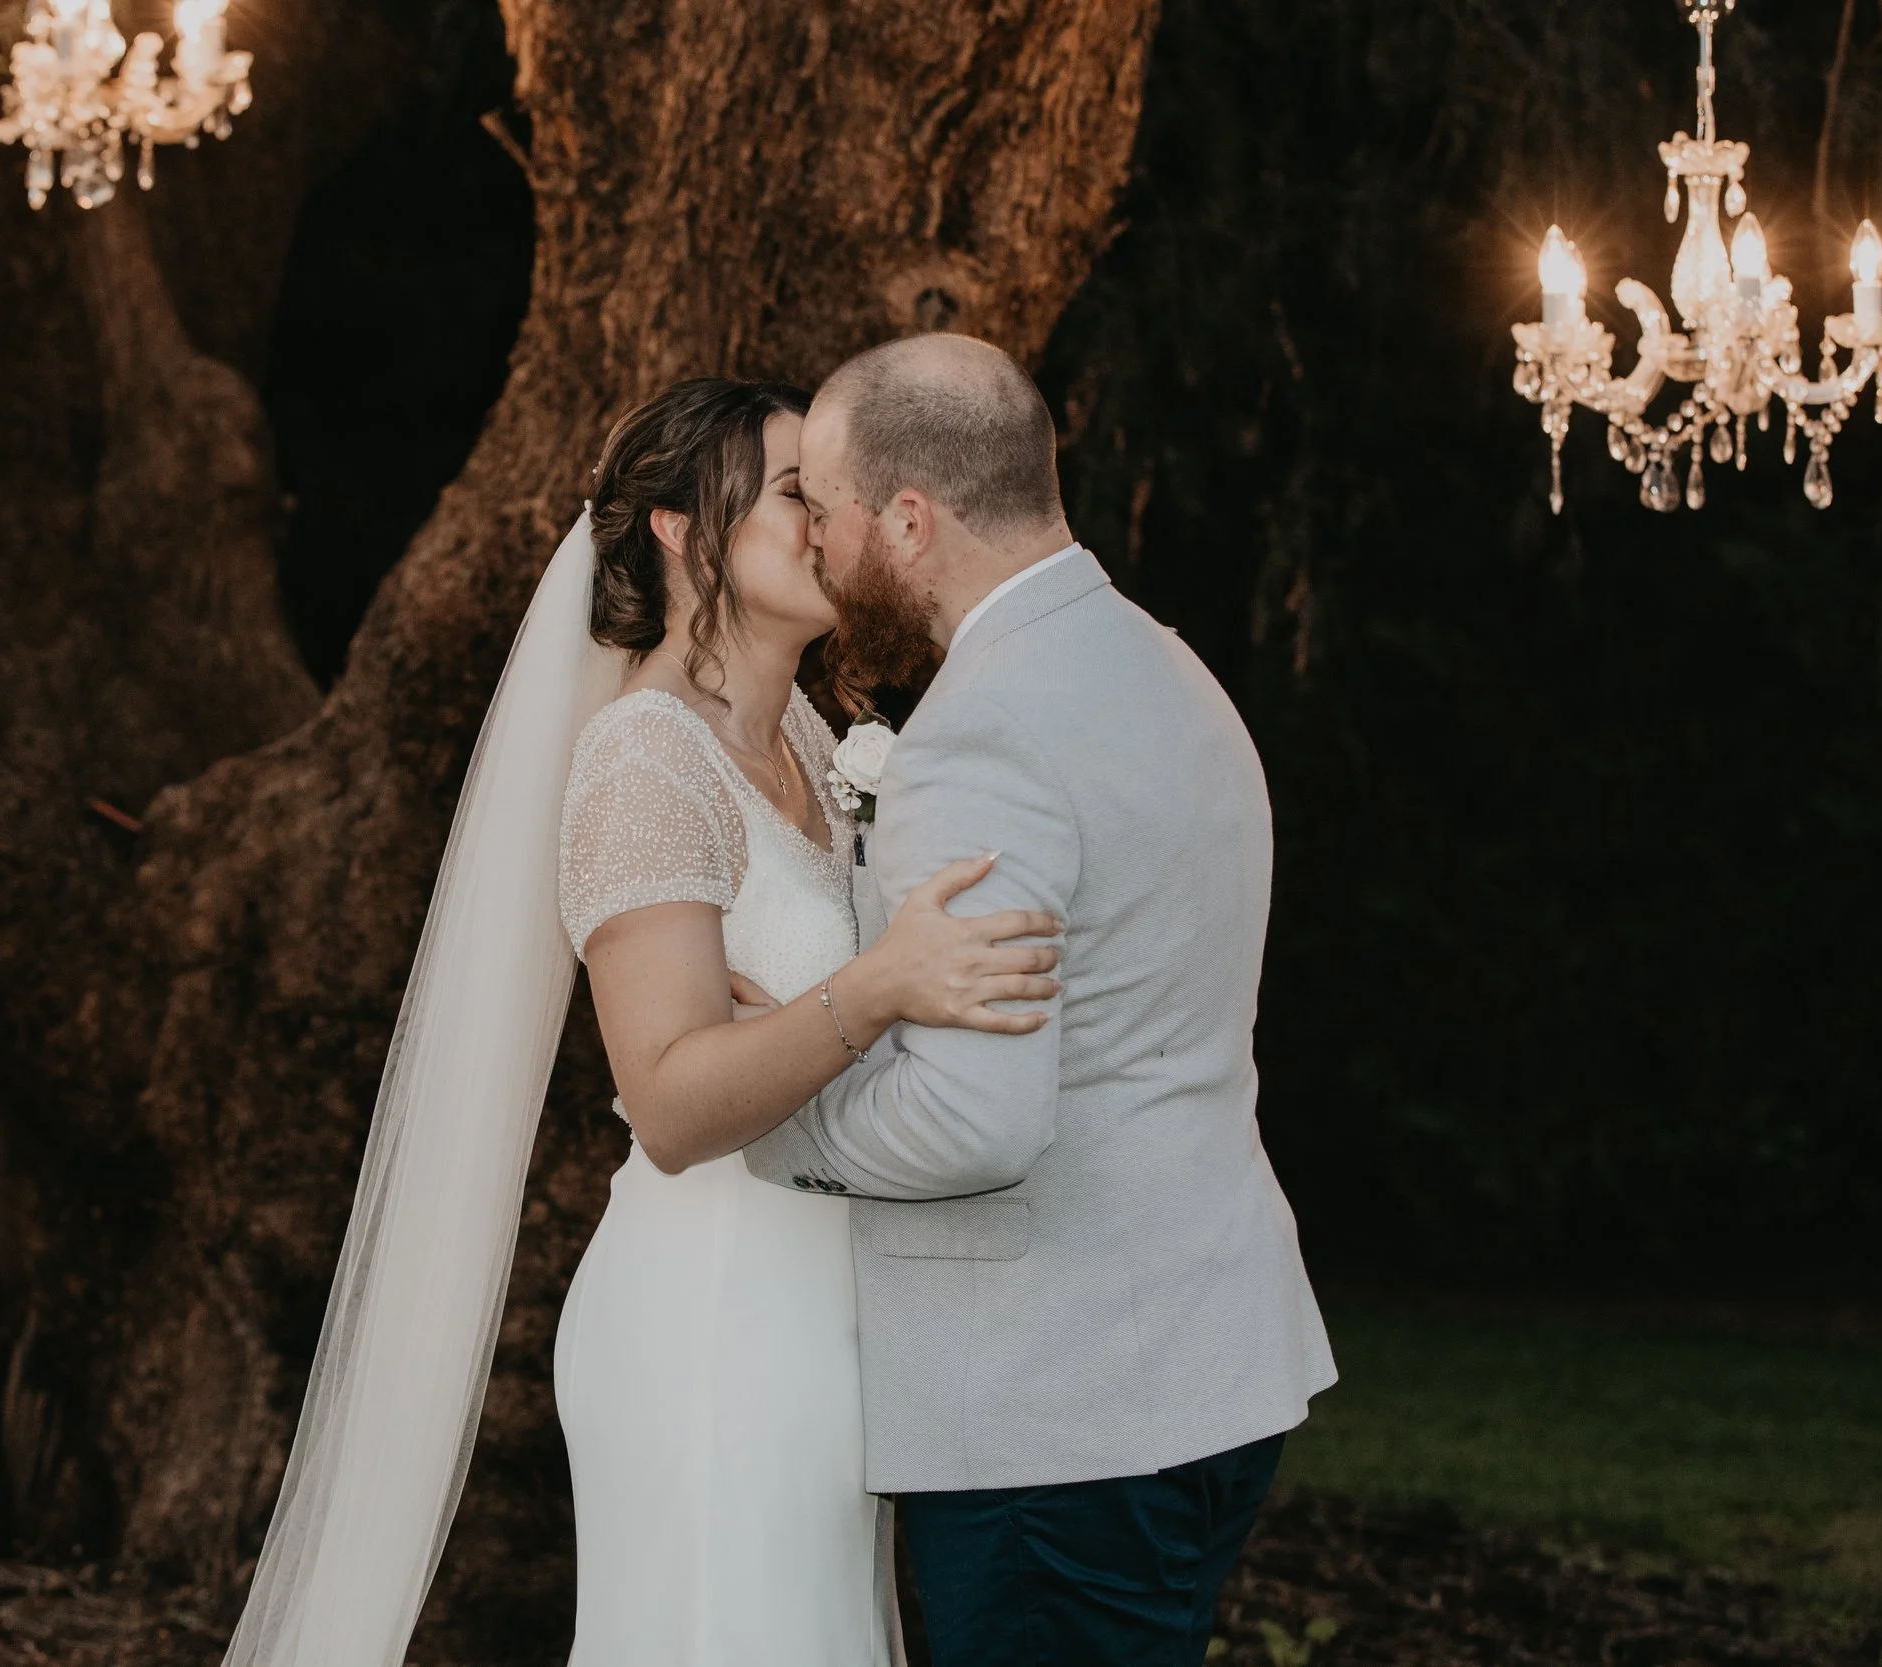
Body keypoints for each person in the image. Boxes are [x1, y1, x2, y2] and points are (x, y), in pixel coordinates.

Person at [215, 376, 1057, 1667]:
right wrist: (877, 987)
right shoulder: (645, 755)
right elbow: (669, 1104)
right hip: (713, 1318)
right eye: (794, 494)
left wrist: (833, 1019)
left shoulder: (828, 755)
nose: (829, 525)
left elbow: (808, 1049)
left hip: (828, 1321)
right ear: (676, 527)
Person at [742, 332, 1337, 1666]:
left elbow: (974, 1126)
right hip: (1205, 1368)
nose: (822, 551)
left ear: (908, 517)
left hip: (1060, 1420)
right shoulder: (1168, 670)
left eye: (828, 514)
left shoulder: (981, 739)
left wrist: (766, 1127)